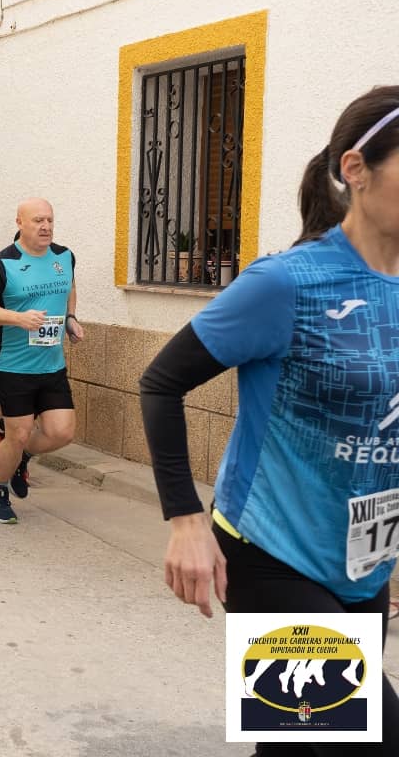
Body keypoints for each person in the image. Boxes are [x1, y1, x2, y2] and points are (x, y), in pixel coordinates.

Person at [139, 86, 399, 755]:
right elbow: (161, 382)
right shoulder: (288, 283)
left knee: (295, 742)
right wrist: (186, 521)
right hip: (271, 552)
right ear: (356, 169)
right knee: (376, 736)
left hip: (363, 562)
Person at [0, 198, 83, 524]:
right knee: (17, 435)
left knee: (62, 433)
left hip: (52, 363)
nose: (46, 227)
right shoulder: (3, 264)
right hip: (12, 365)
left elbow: (69, 286)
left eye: (49, 220)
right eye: (37, 221)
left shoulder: (64, 256)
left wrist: (70, 317)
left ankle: (21, 456)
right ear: (19, 222)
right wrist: (17, 318)